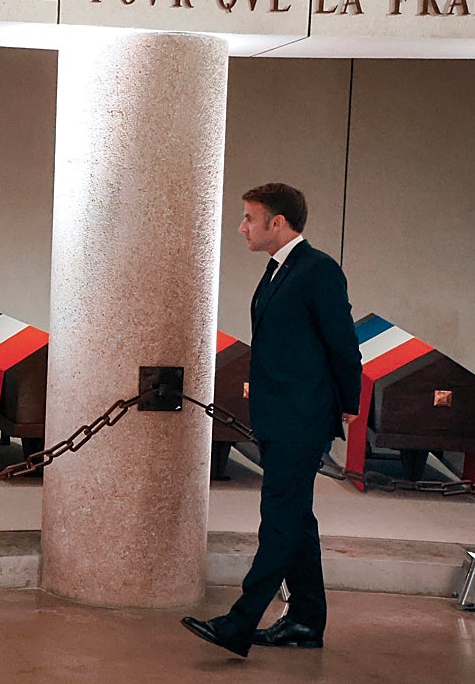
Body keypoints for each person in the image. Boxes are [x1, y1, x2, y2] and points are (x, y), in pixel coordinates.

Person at [182, 182, 362, 657]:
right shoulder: (277, 270)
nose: (241, 227)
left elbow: (343, 343)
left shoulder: (318, 270)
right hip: (279, 415)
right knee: (296, 520)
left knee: (279, 521)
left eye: (249, 217)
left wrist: (349, 402)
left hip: (302, 419)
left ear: (276, 222)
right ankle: (305, 621)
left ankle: (239, 623)